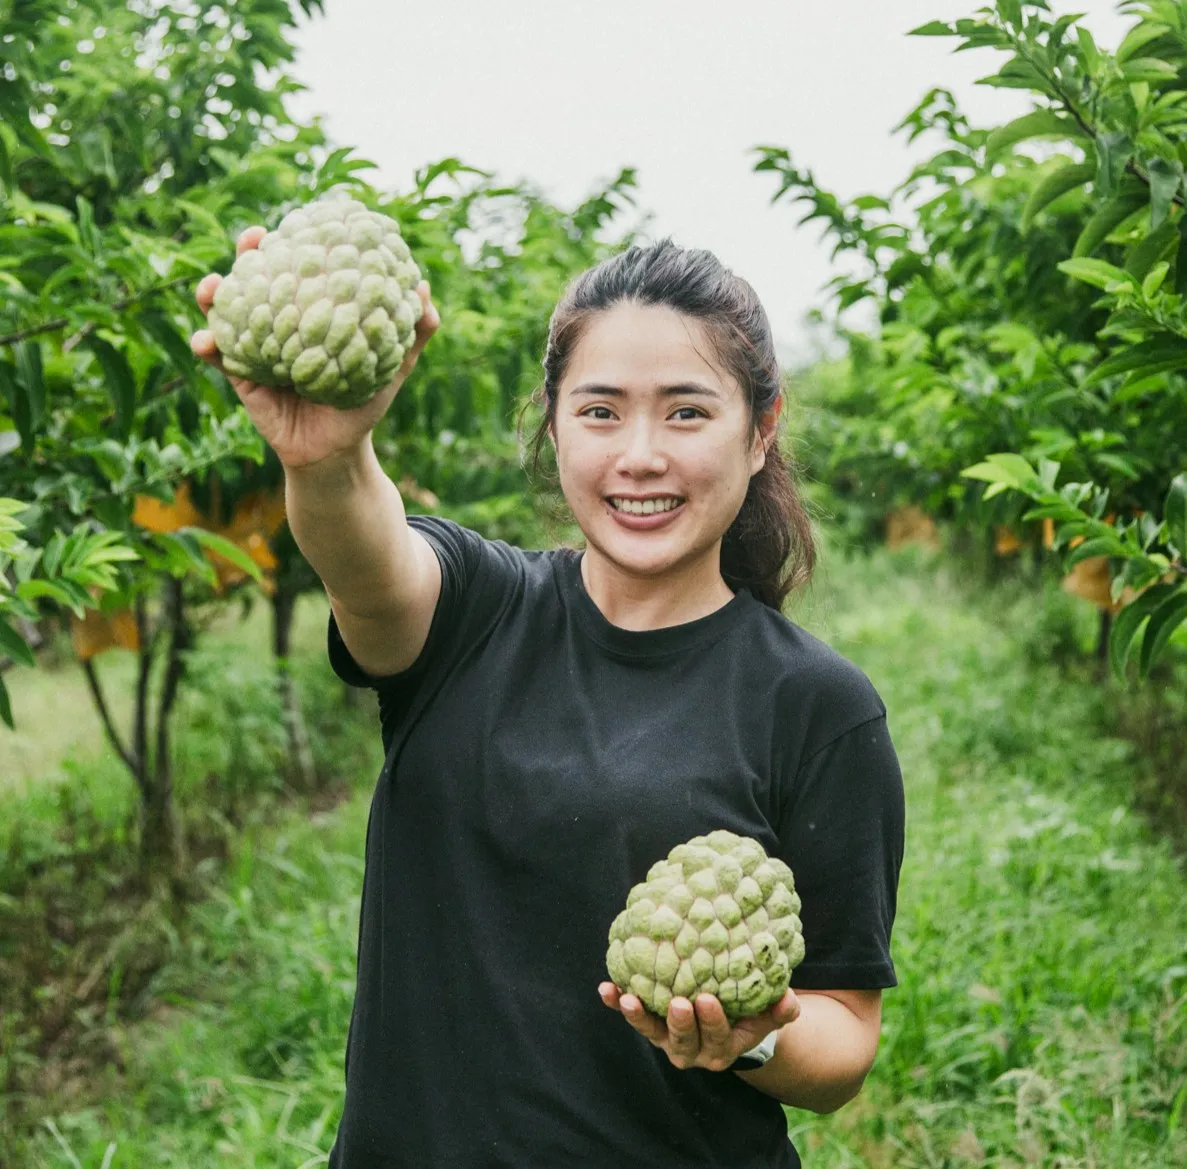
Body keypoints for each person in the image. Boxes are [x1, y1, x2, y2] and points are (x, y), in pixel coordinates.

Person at [191, 228, 906, 1169]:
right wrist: (326, 457)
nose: (639, 455)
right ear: (554, 421)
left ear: (760, 427)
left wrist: (751, 1033)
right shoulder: (472, 613)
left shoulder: (816, 705)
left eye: (686, 413)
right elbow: (364, 562)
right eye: (600, 411)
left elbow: (844, 1036)